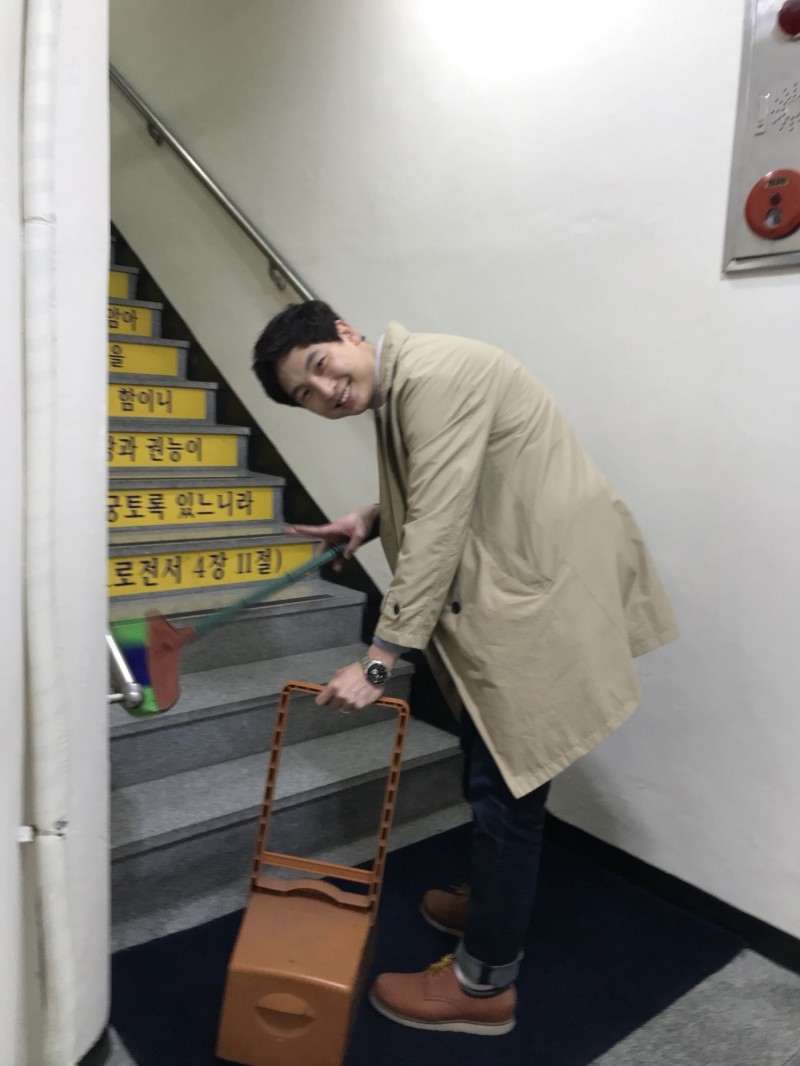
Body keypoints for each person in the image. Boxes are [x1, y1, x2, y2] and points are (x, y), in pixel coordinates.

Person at [252, 300, 678, 1037]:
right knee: (496, 768)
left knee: (506, 785)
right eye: (305, 395)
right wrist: (369, 518)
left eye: (320, 367)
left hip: (538, 591)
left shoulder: (434, 375)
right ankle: (492, 905)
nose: (325, 392)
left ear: (347, 334)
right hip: (523, 584)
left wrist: (380, 661)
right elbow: (441, 479)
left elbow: (440, 522)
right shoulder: (408, 381)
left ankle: (484, 984)